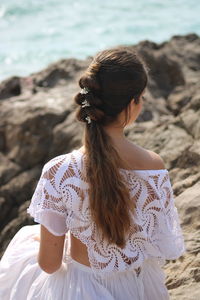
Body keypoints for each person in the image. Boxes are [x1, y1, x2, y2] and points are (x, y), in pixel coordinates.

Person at [0, 47, 185, 300]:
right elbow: (158, 244)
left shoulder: (59, 171)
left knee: (24, 247)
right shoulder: (153, 165)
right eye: (141, 97)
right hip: (137, 287)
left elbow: (50, 265)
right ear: (133, 104)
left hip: (81, 289)